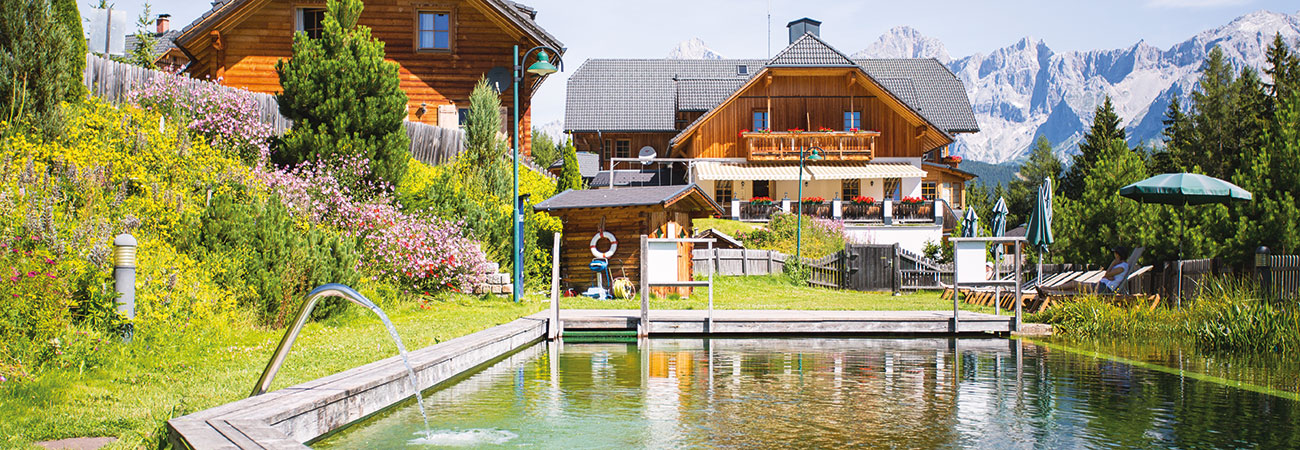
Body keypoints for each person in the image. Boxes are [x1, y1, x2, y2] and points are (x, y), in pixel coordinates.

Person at [1038, 246, 1131, 295]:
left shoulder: (1122, 266)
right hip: (1102, 286)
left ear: (1118, 255)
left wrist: (1113, 264)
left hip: (1104, 289)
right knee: (1074, 288)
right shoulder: (1120, 266)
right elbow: (1108, 275)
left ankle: (1048, 289)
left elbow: (1106, 274)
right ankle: (1048, 290)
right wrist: (1109, 275)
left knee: (1074, 284)